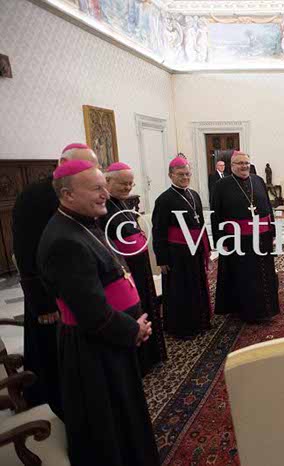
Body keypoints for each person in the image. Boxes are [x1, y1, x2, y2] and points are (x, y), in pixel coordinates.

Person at [37, 160, 159, 466]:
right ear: (67, 195)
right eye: (96, 188)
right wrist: (133, 330)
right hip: (93, 350)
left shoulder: (83, 223)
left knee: (124, 414)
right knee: (108, 424)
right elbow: (91, 312)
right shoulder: (64, 241)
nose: (105, 194)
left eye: (104, 186)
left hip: (108, 341)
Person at [11, 143, 96, 418]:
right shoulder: (34, 196)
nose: (88, 171)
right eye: (84, 165)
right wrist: (42, 303)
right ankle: (51, 401)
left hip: (74, 285)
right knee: (50, 355)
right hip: (48, 295)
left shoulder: (82, 190)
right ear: (62, 163)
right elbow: (25, 253)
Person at [101, 162, 167, 375]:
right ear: (107, 181)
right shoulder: (102, 209)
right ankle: (141, 361)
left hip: (140, 267)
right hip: (126, 270)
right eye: (123, 183)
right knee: (135, 312)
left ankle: (152, 355)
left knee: (147, 306)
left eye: (130, 183)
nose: (128, 187)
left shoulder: (121, 203)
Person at [211, 152, 280, 322]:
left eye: (246, 163)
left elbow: (268, 207)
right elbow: (216, 214)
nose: (244, 166)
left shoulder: (258, 180)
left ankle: (267, 308)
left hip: (262, 236)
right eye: (240, 163)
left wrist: (272, 231)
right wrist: (219, 239)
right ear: (232, 166)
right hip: (238, 240)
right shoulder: (221, 185)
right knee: (244, 276)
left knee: (265, 273)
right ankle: (247, 311)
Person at [151, 157, 211, 339]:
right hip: (176, 254)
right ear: (171, 175)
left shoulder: (194, 195)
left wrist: (206, 248)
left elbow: (201, 223)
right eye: (180, 174)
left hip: (195, 249)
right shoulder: (164, 200)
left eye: (187, 174)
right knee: (180, 290)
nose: (185, 177)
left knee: (197, 285)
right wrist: (162, 259)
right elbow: (158, 231)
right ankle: (182, 327)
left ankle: (200, 320)